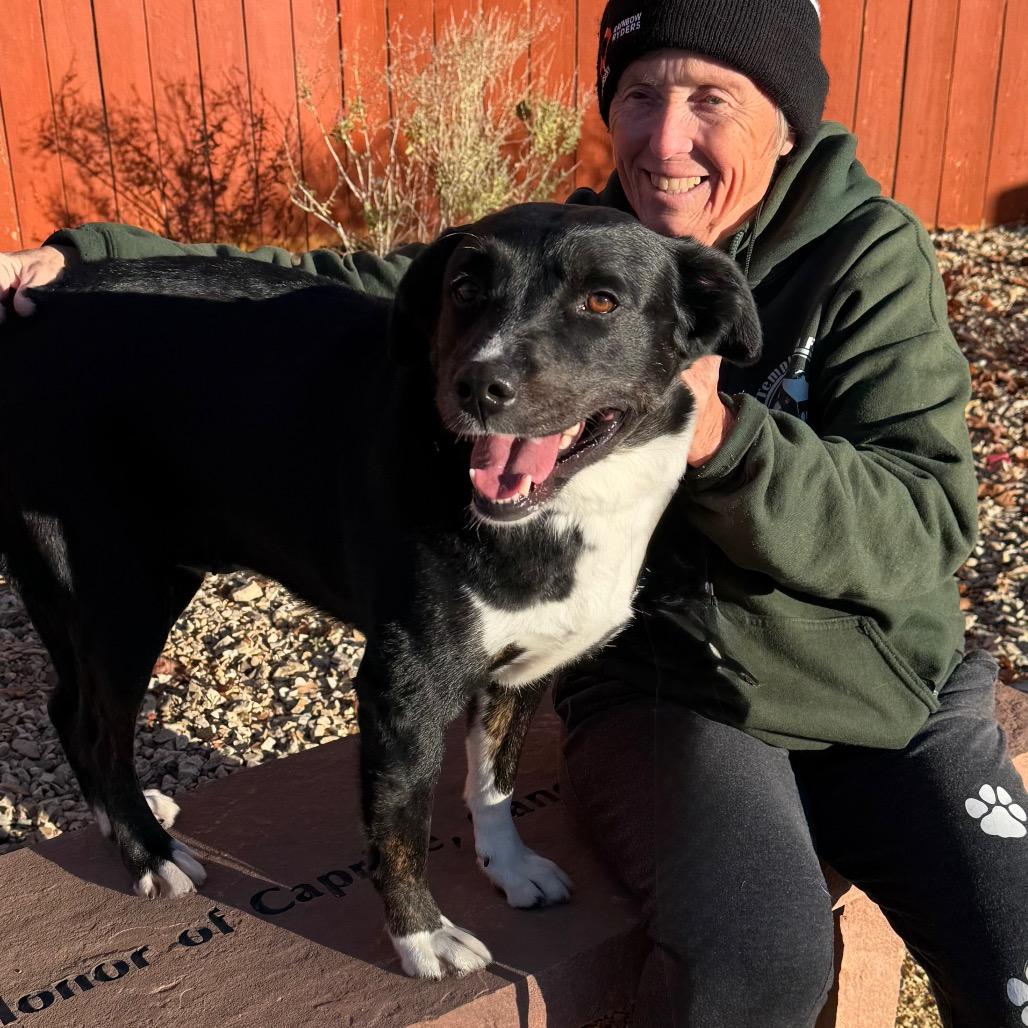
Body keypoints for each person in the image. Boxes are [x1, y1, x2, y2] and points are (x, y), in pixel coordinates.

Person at [2, 1, 1026, 1023]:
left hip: (889, 688)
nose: (664, 140)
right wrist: (91, 258)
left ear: (784, 120)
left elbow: (927, 521)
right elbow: (350, 282)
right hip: (683, 695)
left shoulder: (866, 262)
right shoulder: (562, 245)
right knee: (756, 968)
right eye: (637, 96)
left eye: (708, 98)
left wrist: (726, 440)